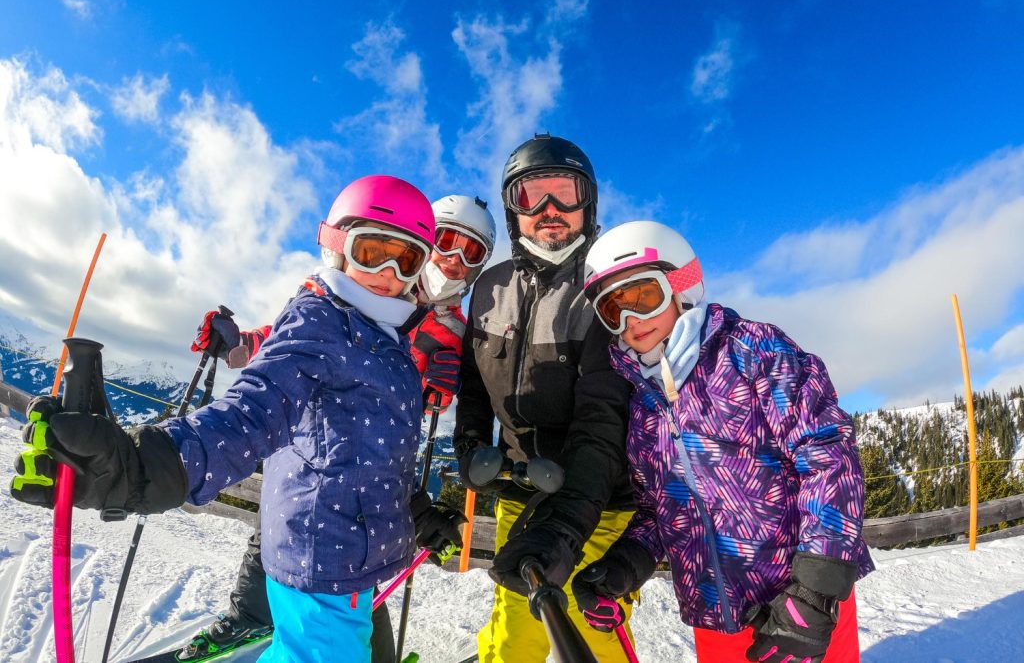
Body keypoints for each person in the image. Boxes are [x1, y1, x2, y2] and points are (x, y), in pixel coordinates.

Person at [10, 175, 461, 663]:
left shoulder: (391, 337)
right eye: (372, 251)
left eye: (408, 258)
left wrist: (418, 513)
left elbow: (373, 451)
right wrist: (143, 467)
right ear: (336, 245)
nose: (389, 272)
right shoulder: (322, 322)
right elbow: (250, 412)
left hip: (356, 554)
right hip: (326, 552)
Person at [180, 194, 497, 662]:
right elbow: (295, 347)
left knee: (354, 562)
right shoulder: (360, 284)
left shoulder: (454, 329)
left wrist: (433, 390)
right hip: (313, 442)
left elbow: (441, 397)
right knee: (284, 521)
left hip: (372, 463)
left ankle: (361, 645)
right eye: (446, 241)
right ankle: (250, 617)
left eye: (470, 252)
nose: (452, 261)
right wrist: (240, 342)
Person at [571, 220, 875, 663]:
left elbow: (828, 457)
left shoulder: (753, 351)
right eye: (612, 310)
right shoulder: (641, 406)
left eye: (642, 297)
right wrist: (622, 565)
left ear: (682, 288)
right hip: (717, 615)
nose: (630, 320)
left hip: (798, 601)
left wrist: (815, 589)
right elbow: (660, 512)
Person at [454, 134, 636, 662]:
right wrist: (469, 446)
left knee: (588, 625)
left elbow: (605, 418)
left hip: (599, 501)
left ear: (589, 204)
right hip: (520, 493)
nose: (550, 211)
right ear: (514, 210)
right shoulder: (490, 288)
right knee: (518, 628)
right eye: (532, 197)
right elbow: (472, 383)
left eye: (565, 194)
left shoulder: (604, 288)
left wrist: (567, 522)